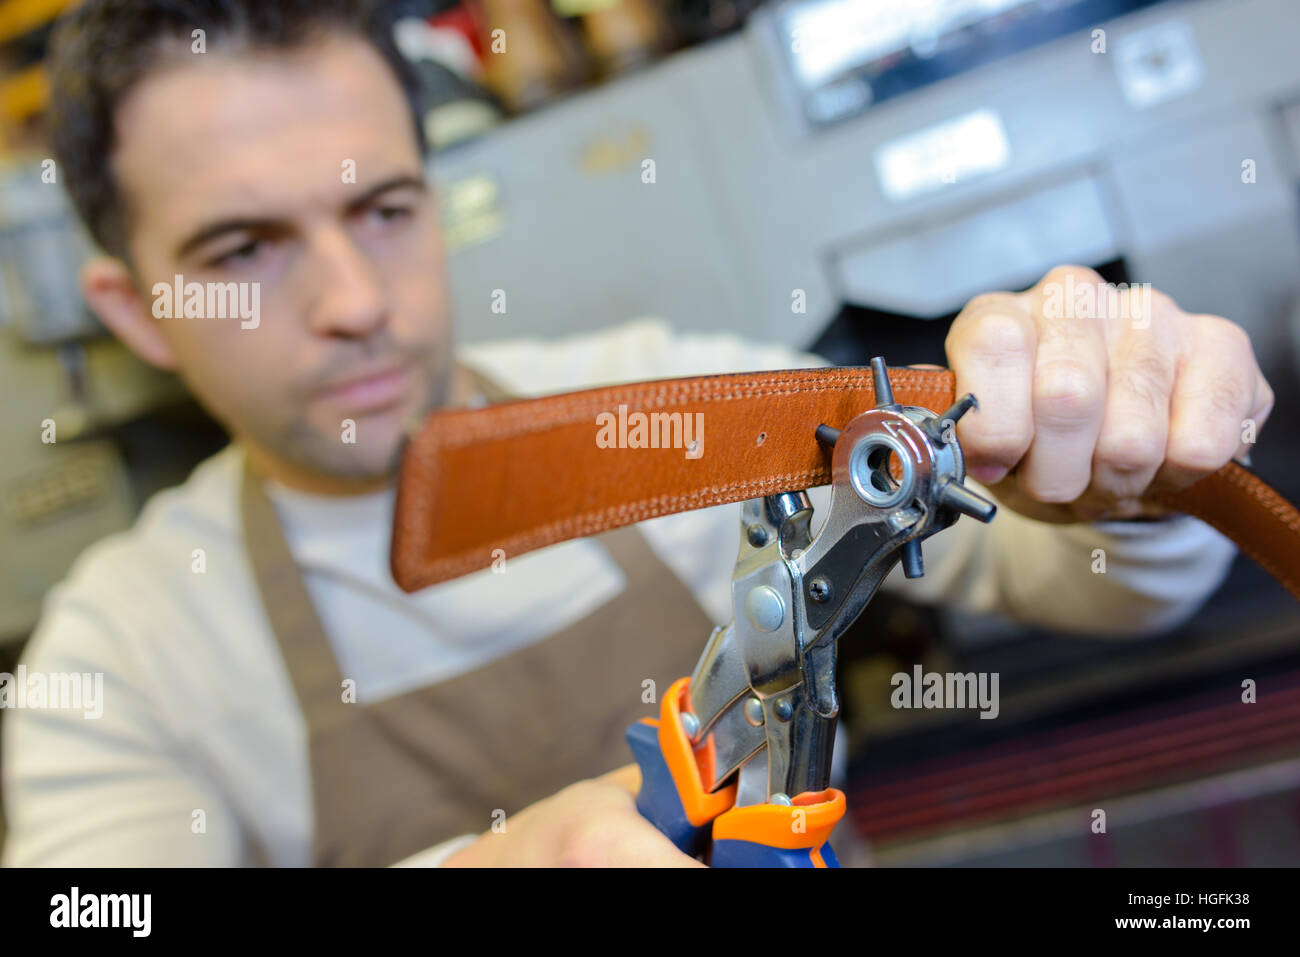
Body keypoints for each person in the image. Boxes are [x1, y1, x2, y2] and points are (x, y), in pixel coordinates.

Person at [1, 0, 1271, 867]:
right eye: (244, 249)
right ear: (140, 312)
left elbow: (1095, 594)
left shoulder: (671, 410)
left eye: (382, 210)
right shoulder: (119, 668)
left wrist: (1126, 481)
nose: (353, 303)